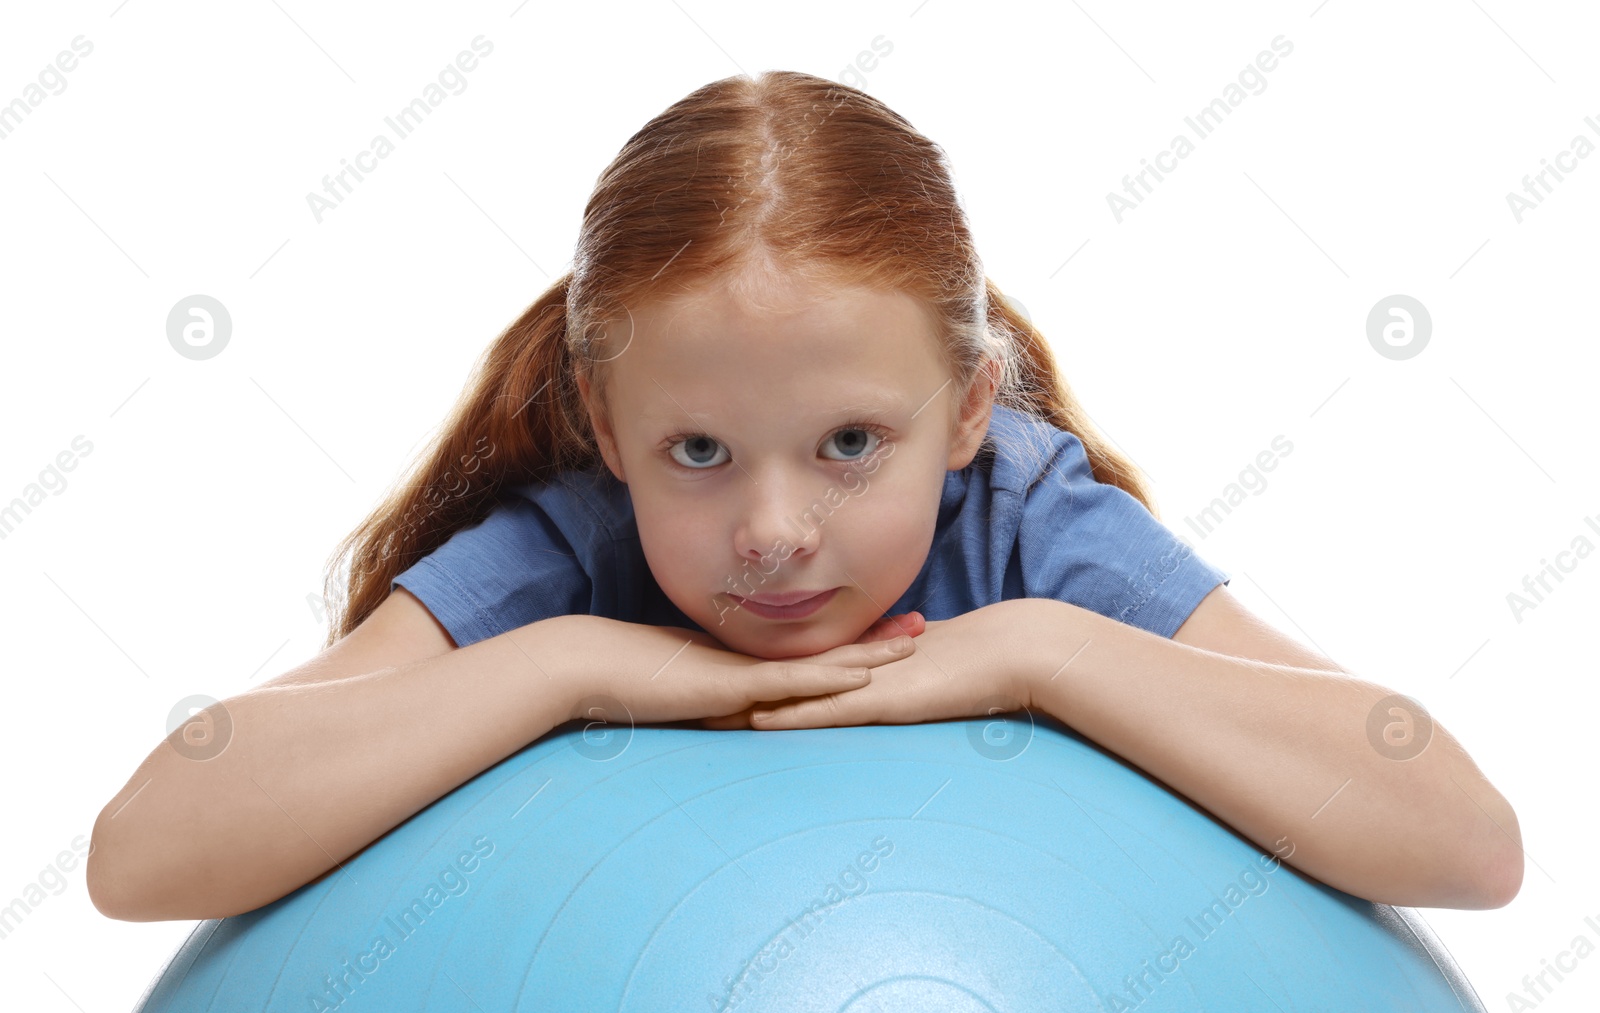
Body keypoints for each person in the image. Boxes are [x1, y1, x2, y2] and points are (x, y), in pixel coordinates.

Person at [87, 70, 1520, 923]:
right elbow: (145, 856)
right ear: (605, 422)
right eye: (697, 453)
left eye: (850, 444)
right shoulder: (572, 551)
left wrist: (1045, 650)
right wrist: (575, 663)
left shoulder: (1027, 525)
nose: (774, 533)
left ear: (968, 409)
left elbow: (1463, 841)